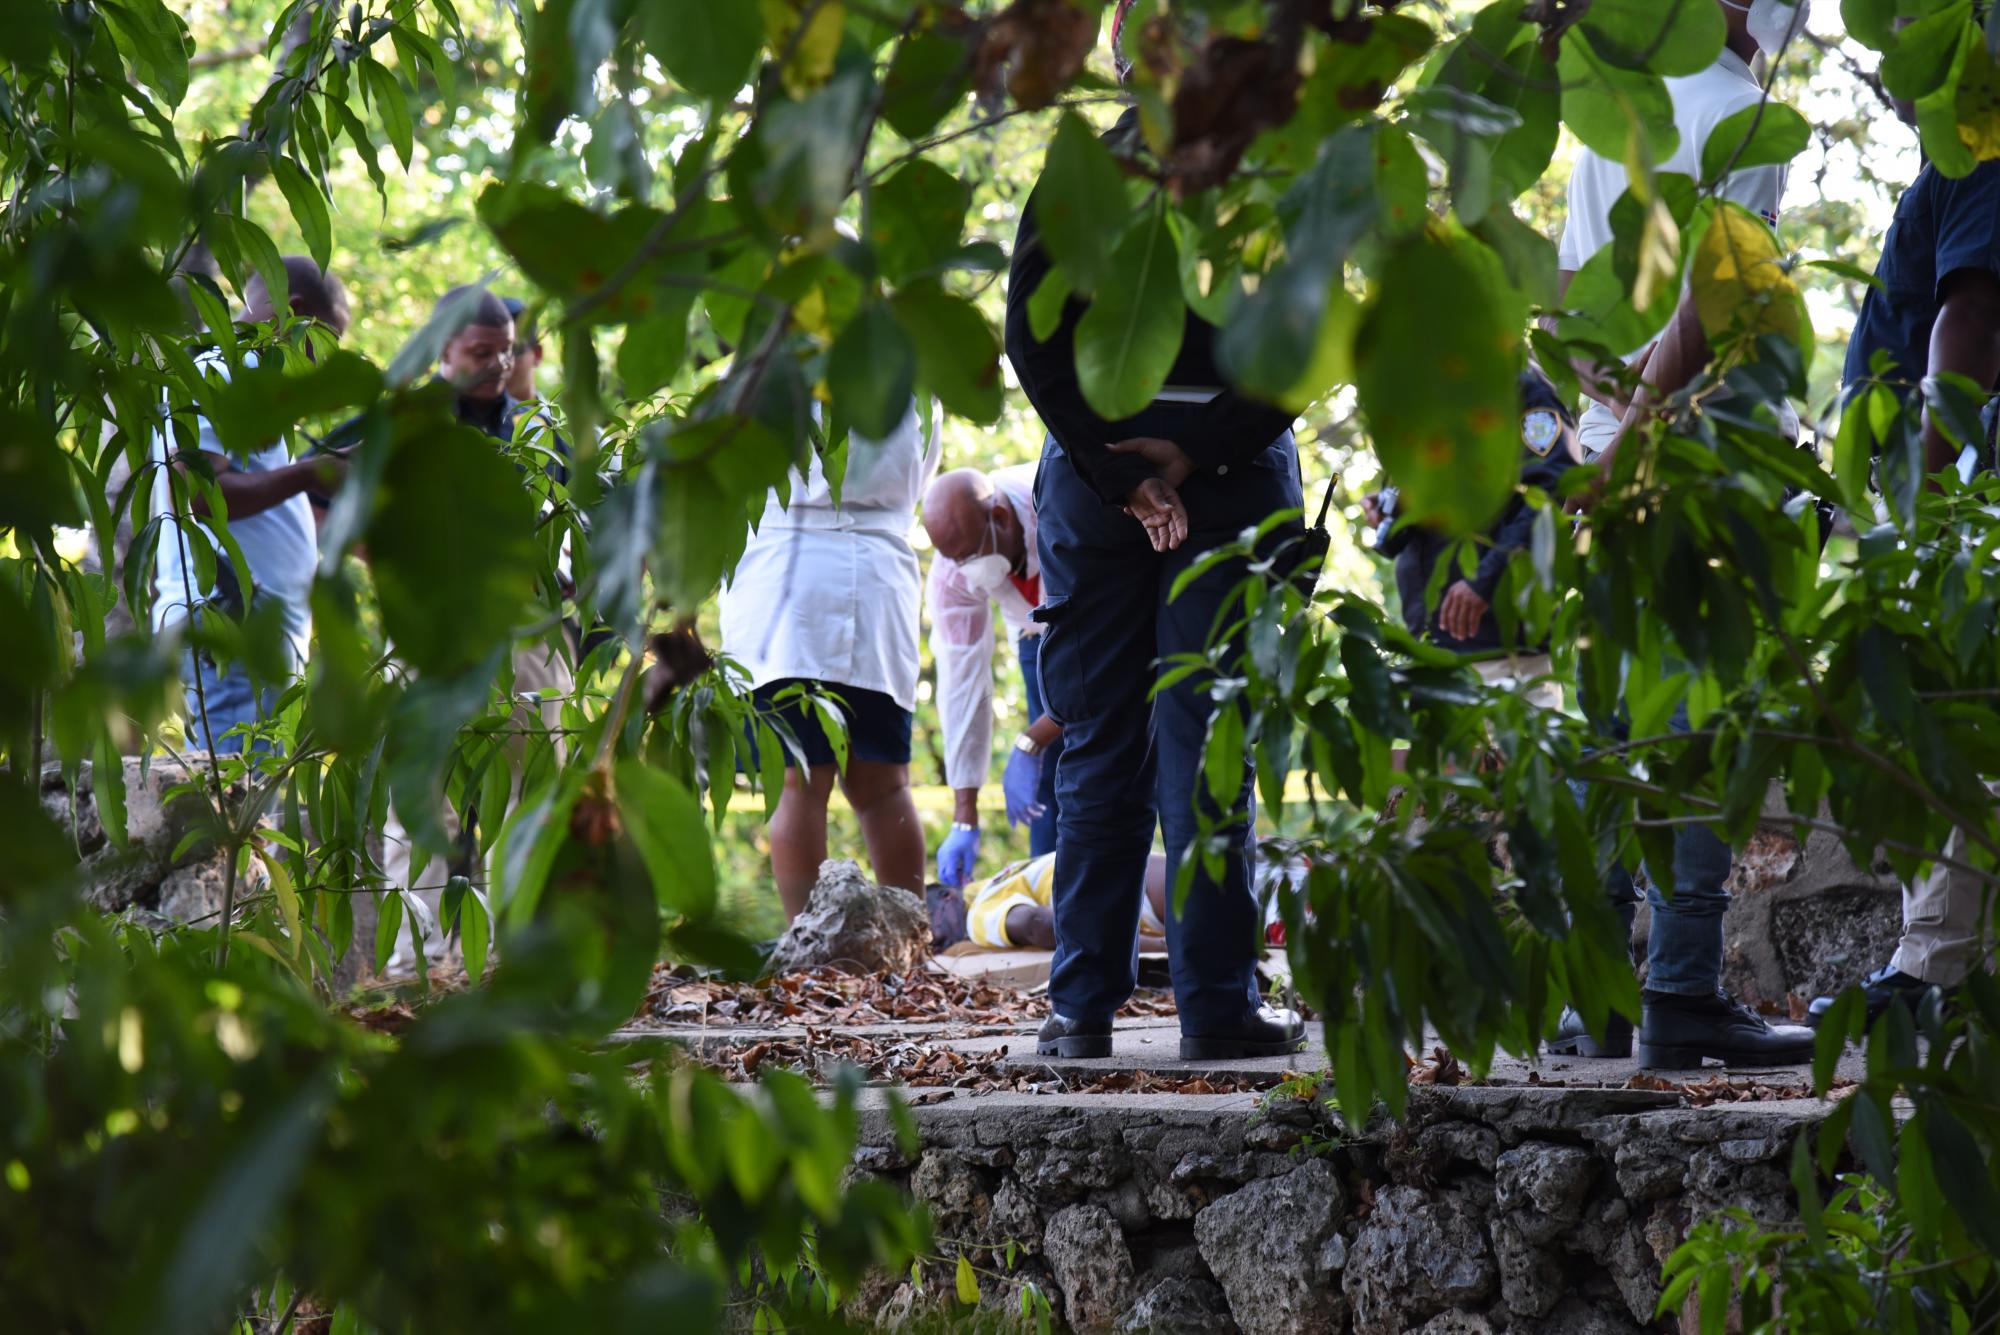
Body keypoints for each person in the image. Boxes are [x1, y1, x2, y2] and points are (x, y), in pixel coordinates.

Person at [1005, 61, 1307, 1058]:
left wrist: (1122, 466)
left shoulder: (1084, 171)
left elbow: (1030, 337)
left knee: (1118, 737)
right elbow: (1309, 328)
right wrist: (1180, 457)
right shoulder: (1262, 166)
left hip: (1122, 479)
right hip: (1184, 478)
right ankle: (1208, 1010)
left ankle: (1079, 1014)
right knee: (1192, 732)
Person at [1546, 0, 1818, 1066]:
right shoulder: (1739, 116)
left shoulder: (1608, 125)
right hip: (1704, 462)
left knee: (1608, 729)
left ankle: (1595, 1001)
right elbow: (1704, 314)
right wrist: (1631, 447)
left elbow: (1566, 313)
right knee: (1692, 723)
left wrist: (1595, 442)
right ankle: (1680, 994)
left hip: (1611, 463)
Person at [1804, 153, 2000, 1026]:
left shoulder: (1980, 146)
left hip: (1952, 492)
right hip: (1938, 482)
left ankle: (1935, 972)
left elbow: (1969, 317)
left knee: (1948, 711)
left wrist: (1924, 492)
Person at [381, 286, 576, 967]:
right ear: (443, 350)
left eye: (507, 350)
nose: (497, 364)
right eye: (480, 352)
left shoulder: (540, 431)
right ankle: (413, 957)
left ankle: (516, 953)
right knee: (422, 797)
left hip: (526, 634)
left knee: (530, 791)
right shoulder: (408, 422)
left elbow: (572, 530)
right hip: (430, 629)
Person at [719, 403, 943, 921]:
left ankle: (808, 947)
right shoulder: (914, 365)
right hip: (880, 576)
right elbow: (925, 466)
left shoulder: (782, 356)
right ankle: (911, 947)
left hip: (785, 577)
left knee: (799, 778)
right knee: (885, 786)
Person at [152, 256, 353, 755]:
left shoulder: (254, 382)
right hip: (229, 620)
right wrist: (313, 472)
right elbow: (201, 494)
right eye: (325, 339)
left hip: (255, 629)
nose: (322, 361)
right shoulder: (219, 369)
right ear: (296, 310)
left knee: (252, 802)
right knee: (241, 802)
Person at [1365, 369, 1580, 692]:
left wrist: (1485, 577)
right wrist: (1391, 506)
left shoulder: (1513, 381)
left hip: (1501, 643)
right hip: (1435, 645)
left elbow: (1552, 486)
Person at [923, 466, 1064, 888]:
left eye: (970, 554)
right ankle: (1052, 894)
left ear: (1000, 517)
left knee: (1100, 762)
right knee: (1048, 780)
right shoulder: (953, 574)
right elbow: (962, 686)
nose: (965, 569)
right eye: (956, 560)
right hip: (1033, 630)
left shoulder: (1058, 508)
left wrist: (1032, 739)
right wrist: (964, 815)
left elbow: (1102, 657)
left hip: (1103, 620)